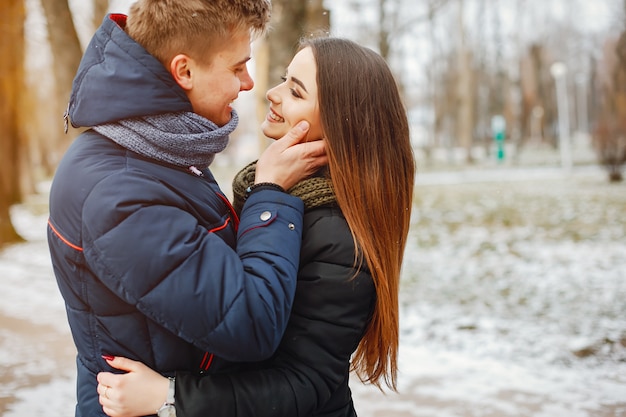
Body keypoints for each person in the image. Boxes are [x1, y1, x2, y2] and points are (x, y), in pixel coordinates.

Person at [96, 36, 416, 417]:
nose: (272, 93)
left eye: (295, 92)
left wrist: (169, 396)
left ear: (338, 124)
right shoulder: (287, 197)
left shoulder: (337, 235)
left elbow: (305, 384)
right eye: (284, 79)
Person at [46, 1, 327, 416]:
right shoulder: (118, 194)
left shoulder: (159, 147)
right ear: (185, 71)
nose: (249, 83)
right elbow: (250, 323)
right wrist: (269, 194)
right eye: (236, 67)